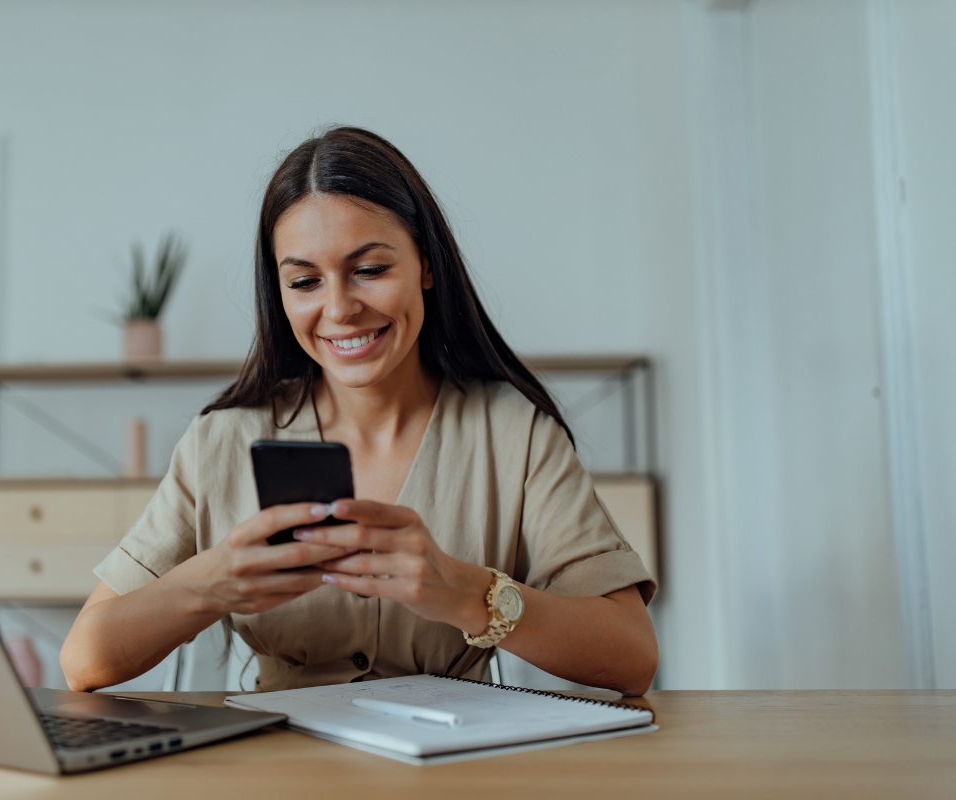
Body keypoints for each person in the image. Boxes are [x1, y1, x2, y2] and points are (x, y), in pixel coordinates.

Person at [60, 127, 658, 696]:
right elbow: (84, 661)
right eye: (304, 282)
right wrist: (209, 583)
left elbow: (632, 656)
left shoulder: (516, 434)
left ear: (426, 265)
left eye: (369, 270)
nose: (340, 309)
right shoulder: (222, 441)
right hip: (273, 766)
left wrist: (466, 592)